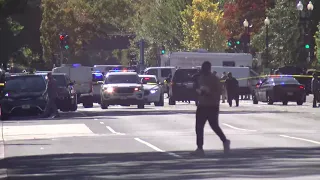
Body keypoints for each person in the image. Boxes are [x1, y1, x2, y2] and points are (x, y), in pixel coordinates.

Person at [191, 61, 230, 156]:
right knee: (199, 127)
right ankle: (200, 148)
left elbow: (218, 92)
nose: (203, 70)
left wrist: (208, 92)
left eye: (205, 68)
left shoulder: (214, 79)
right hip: (202, 105)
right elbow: (198, 88)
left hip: (212, 105)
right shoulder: (201, 78)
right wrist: (198, 92)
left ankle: (225, 141)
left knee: (214, 126)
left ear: (208, 69)